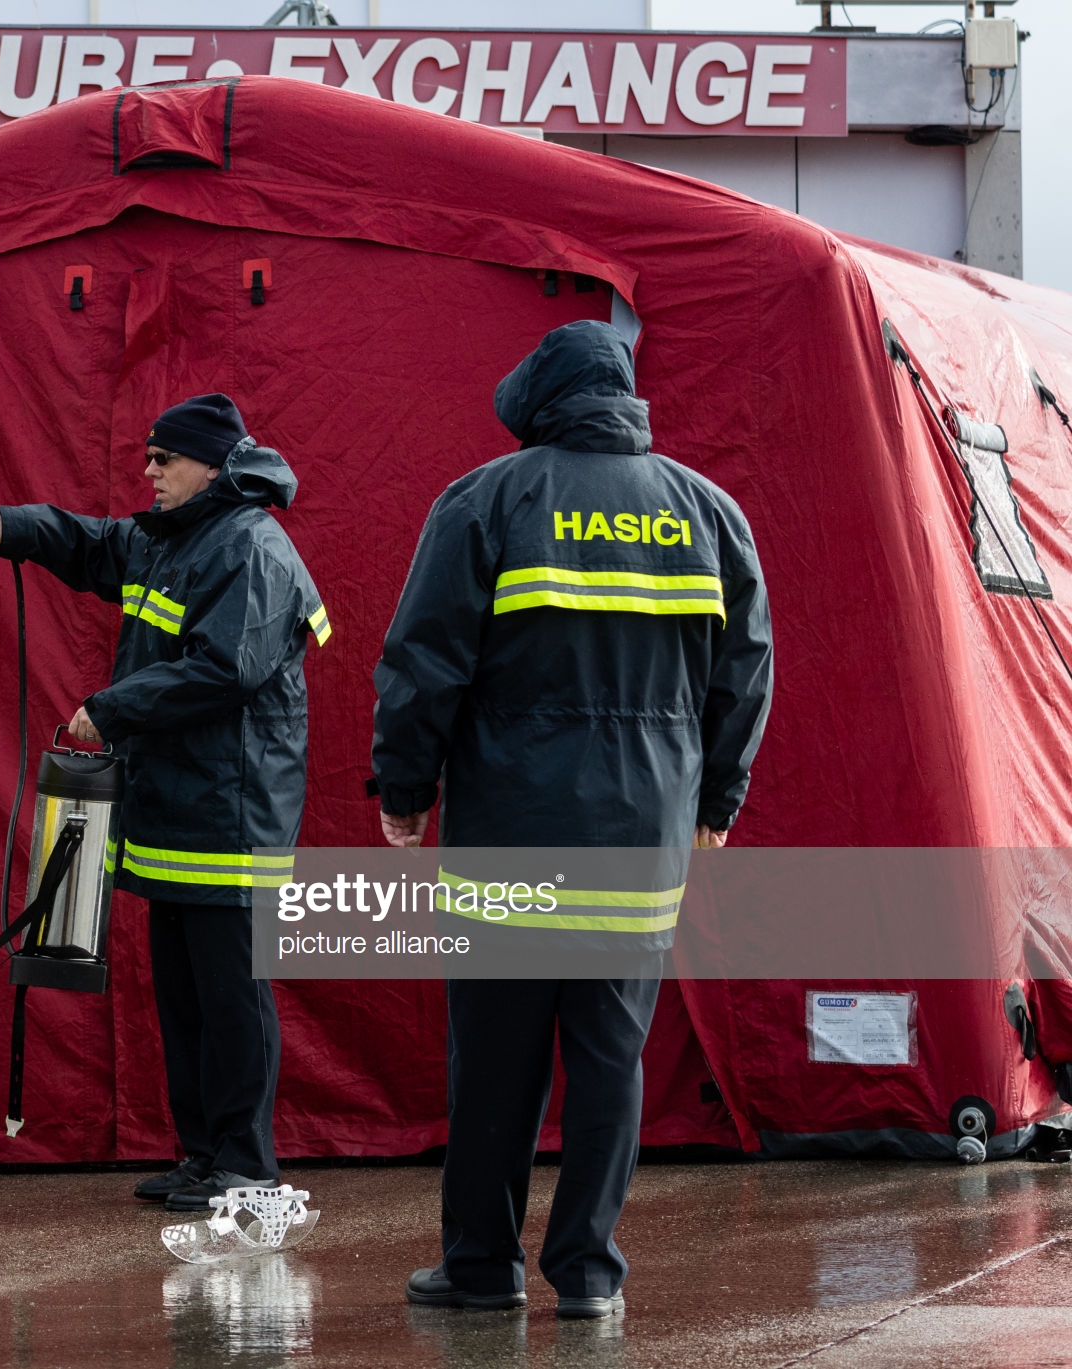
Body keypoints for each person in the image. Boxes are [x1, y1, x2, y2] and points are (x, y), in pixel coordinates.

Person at [371, 321, 771, 1319]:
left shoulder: (486, 500)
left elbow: (424, 660)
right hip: (643, 829)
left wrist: (402, 787)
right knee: (607, 1054)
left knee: (496, 1058)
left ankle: (479, 1268)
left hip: (510, 822)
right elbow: (744, 673)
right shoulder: (705, 512)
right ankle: (587, 1274)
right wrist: (716, 797)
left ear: (536, 399)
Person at [0, 394, 330, 1212]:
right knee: (185, 997)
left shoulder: (251, 548)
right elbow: (98, 542)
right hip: (175, 813)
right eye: (149, 459)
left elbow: (223, 669)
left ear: (212, 465)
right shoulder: (177, 538)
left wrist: (114, 706)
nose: (150, 471)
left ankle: (248, 1163)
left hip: (231, 816)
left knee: (231, 1000)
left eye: (165, 459)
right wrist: (13, 527)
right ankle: (205, 1156)